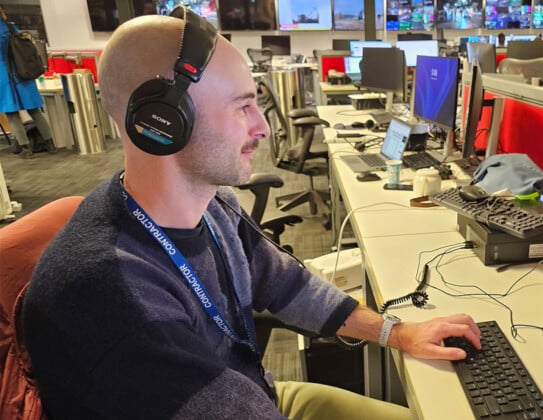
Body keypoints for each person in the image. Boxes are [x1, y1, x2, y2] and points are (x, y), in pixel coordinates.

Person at [21, 9, 481, 419]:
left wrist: (396, 333)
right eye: (242, 107)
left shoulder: (212, 206)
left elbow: (285, 282)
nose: (262, 127)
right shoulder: (111, 296)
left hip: (255, 394)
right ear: (165, 119)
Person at [0, 6, 55, 158]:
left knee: (12, 114)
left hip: (3, 76)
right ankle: (50, 143)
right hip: (22, 73)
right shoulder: (11, 27)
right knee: (35, 111)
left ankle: (25, 149)